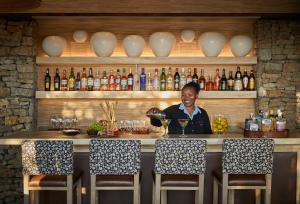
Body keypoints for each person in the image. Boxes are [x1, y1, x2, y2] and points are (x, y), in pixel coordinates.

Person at [146, 82, 212, 134]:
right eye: (183, 95)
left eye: (190, 95)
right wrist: (154, 114)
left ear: (196, 96)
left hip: (197, 149)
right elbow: (157, 123)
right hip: (176, 149)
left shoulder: (202, 113)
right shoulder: (172, 110)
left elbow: (208, 133)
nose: (186, 98)